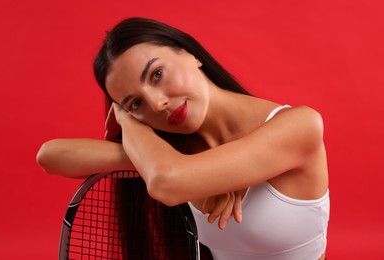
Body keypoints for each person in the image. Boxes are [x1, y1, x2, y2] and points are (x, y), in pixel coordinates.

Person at [37, 17, 329, 259]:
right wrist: (142, 142)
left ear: (191, 54)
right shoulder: (170, 157)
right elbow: (50, 157)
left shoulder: (299, 126)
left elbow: (167, 181)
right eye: (136, 103)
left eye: (157, 74)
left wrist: (133, 129)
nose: (157, 104)